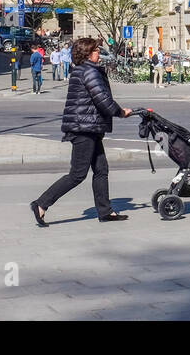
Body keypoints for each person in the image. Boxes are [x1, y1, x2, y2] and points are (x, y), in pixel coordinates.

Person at [30, 37, 132, 226]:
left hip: (88, 127)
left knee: (101, 169)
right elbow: (102, 98)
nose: (98, 53)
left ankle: (105, 211)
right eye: (95, 50)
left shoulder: (82, 70)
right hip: (84, 128)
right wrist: (120, 112)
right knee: (77, 174)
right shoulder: (89, 72)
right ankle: (41, 203)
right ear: (87, 53)